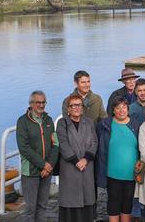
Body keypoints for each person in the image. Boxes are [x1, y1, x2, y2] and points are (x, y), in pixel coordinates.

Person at [98, 95, 141, 222]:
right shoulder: (105, 125)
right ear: (113, 110)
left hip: (131, 173)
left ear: (128, 109)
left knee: (127, 202)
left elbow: (141, 148)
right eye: (118, 108)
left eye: (124, 107)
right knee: (113, 201)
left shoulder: (136, 125)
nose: (121, 110)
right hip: (112, 173)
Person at [17, 90, 59, 222]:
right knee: (30, 208)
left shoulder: (49, 120)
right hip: (30, 171)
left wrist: (49, 165)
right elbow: (24, 148)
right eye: (38, 102)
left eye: (43, 102)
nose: (41, 105)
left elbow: (56, 144)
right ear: (31, 104)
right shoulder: (23, 122)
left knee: (42, 206)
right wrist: (43, 164)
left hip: (46, 171)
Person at [58, 92, 99, 222]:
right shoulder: (62, 123)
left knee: (87, 199)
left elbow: (94, 142)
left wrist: (85, 159)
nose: (77, 108)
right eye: (73, 105)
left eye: (79, 105)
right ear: (68, 109)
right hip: (70, 167)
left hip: (86, 166)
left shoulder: (89, 122)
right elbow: (63, 144)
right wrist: (76, 161)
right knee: (71, 200)